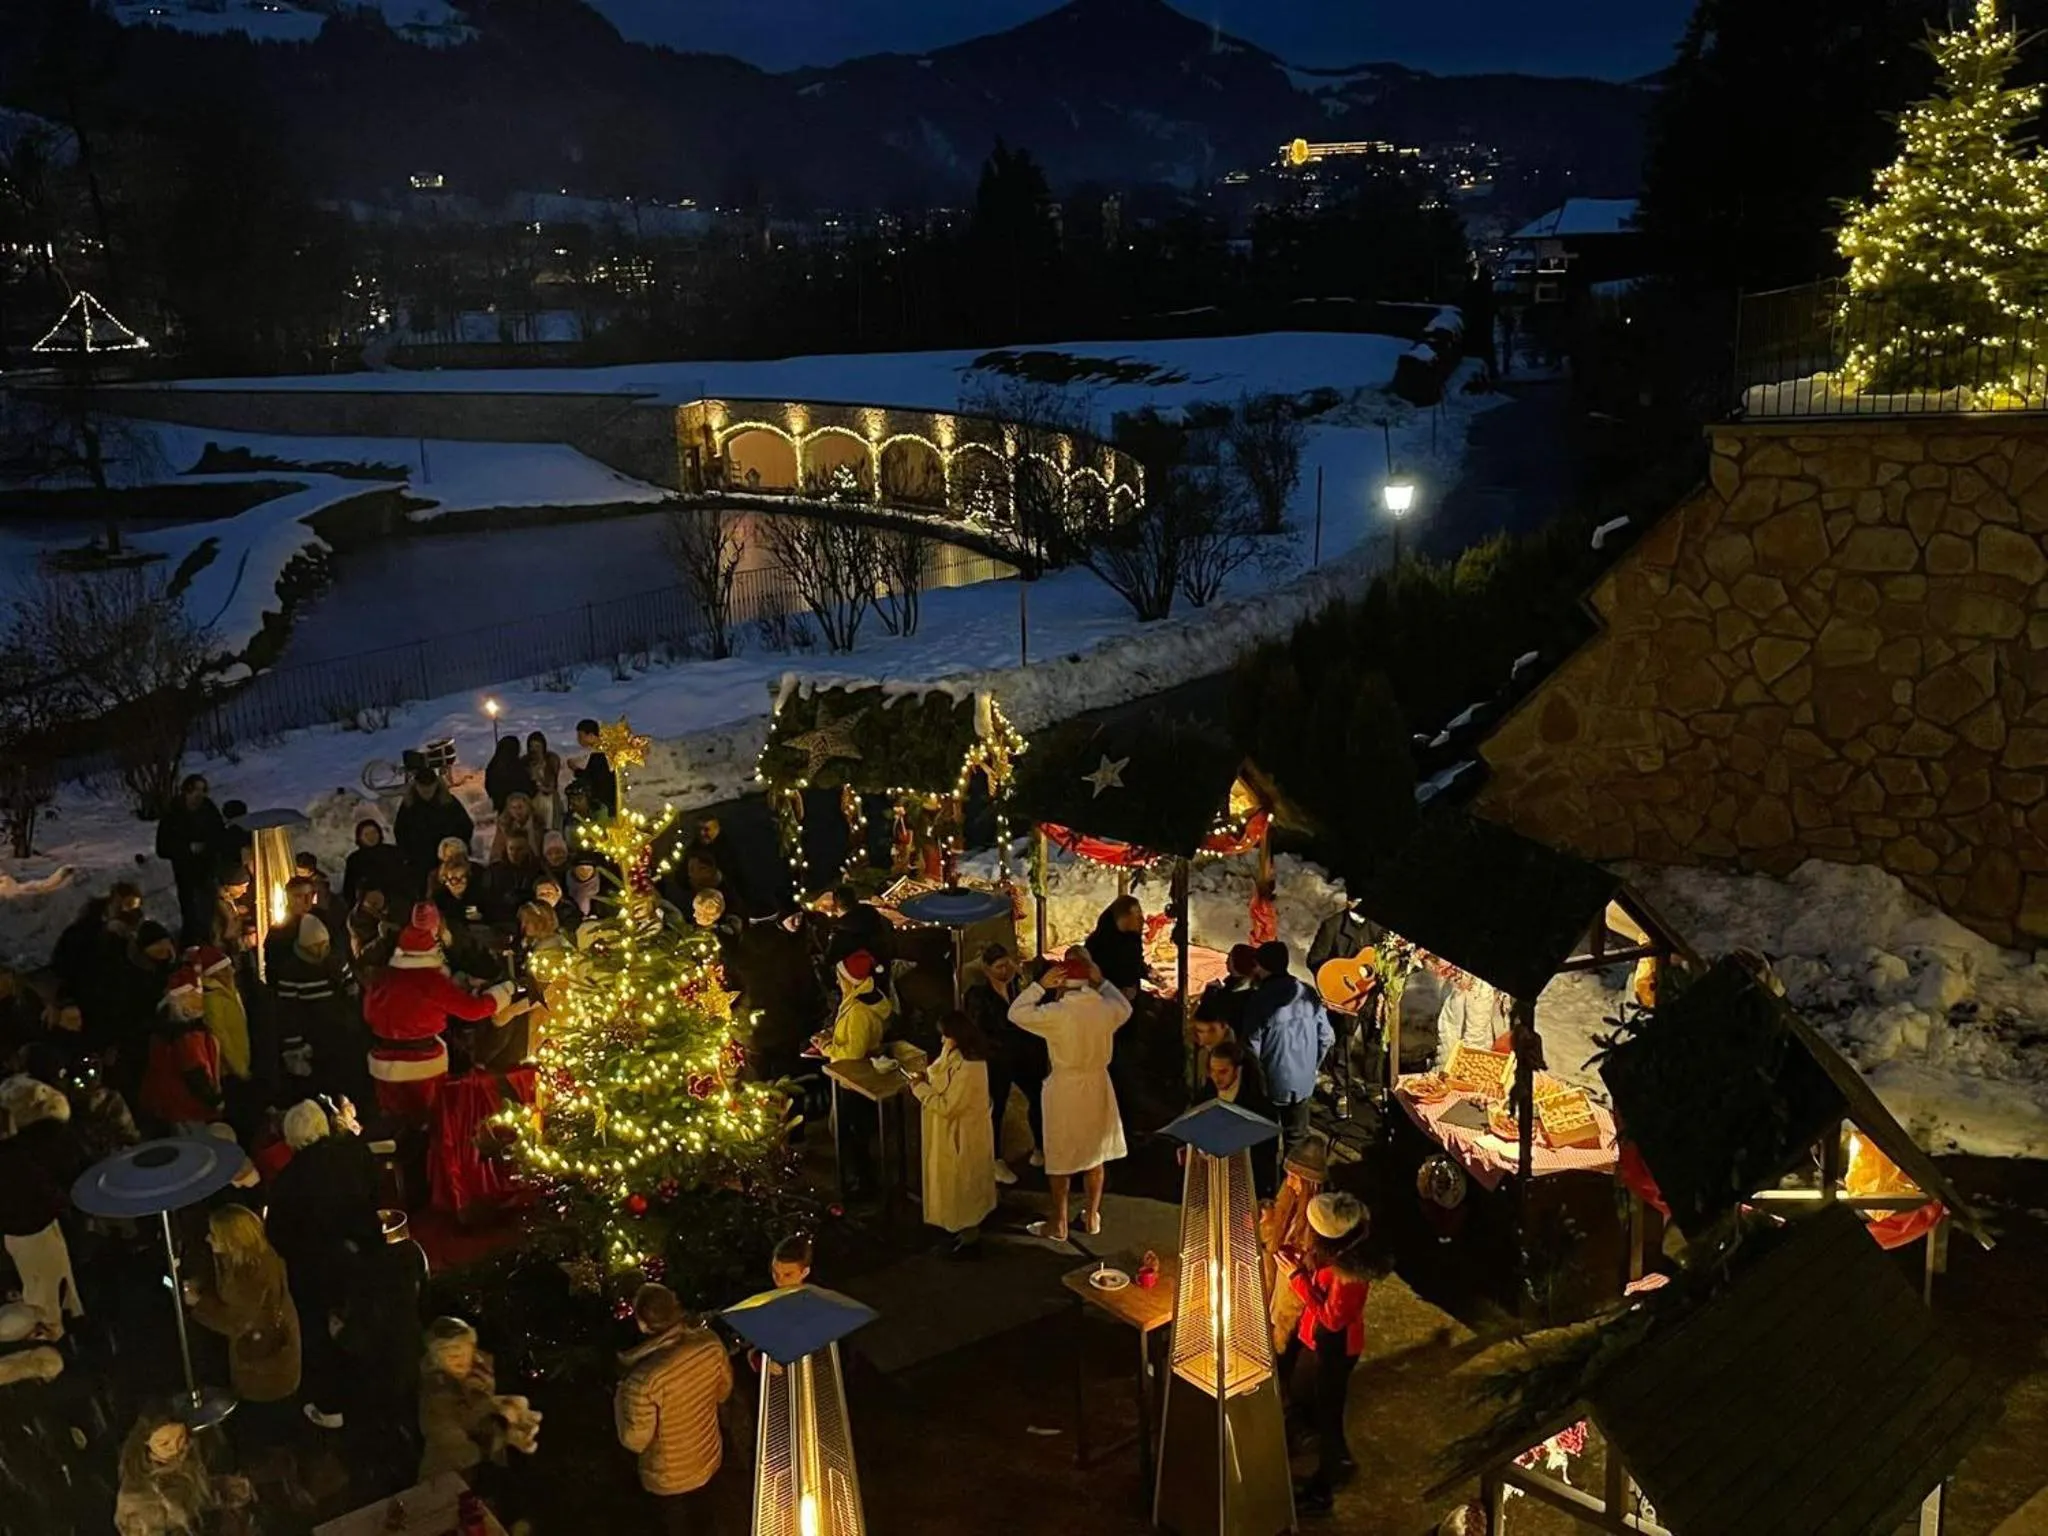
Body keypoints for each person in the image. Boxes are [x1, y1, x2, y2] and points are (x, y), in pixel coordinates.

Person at [267, 1099, 382, 1429]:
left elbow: (278, 1234)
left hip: (316, 1273)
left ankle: (333, 1408)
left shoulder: (288, 1181)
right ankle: (371, 1393)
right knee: (365, 1321)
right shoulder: (355, 1153)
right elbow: (374, 1195)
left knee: (325, 1338)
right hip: (362, 1255)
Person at [1008, 948, 1133, 1241]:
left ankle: (1060, 1221)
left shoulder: (1058, 1013)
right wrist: (1103, 982)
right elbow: (1125, 1007)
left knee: (1060, 1155)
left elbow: (1015, 1013)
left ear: (1061, 982)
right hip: (1098, 1084)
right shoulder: (1105, 1008)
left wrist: (1039, 986)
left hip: (1065, 1087)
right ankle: (1092, 1215)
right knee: (1095, 1152)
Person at [361, 904, 505, 1122]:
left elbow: (369, 1013)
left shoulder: (382, 979)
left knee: (390, 1122)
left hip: (384, 1062)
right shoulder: (433, 982)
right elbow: (473, 1010)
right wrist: (502, 994)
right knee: (429, 1121)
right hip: (424, 1064)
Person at [1277, 1192, 1373, 1516]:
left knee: (1327, 1415)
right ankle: (1325, 1456)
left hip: (1335, 1350)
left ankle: (1327, 1484)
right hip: (1315, 1340)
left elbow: (1333, 1318)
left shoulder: (1350, 1275)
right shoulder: (1334, 1255)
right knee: (1303, 1394)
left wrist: (1297, 1280)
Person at [615, 1282, 735, 1536]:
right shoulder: (710, 1345)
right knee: (707, 1521)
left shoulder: (643, 1380)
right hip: (708, 1456)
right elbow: (723, 1390)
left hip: (669, 1478)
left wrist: (618, 1400)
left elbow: (635, 1440)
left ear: (642, 1324)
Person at [184, 1204, 302, 1409]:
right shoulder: (251, 1258)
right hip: (272, 1352)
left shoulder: (249, 1274)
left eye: (213, 1234)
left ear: (232, 1239)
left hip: (264, 1363)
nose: (208, 1239)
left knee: (265, 1418)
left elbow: (236, 1322)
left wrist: (198, 1303)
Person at [0, 1078, 86, 1339]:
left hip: (30, 1232)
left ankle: (55, 1331)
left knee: (46, 1292)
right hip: (34, 1231)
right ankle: (55, 1333)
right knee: (46, 1294)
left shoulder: (19, 1153)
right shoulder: (20, 1154)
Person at [908, 1010, 997, 1256]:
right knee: (954, 1186)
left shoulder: (971, 1067)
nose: (942, 1042)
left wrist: (919, 1088)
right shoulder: (954, 1054)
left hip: (961, 1135)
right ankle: (958, 1231)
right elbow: (939, 1073)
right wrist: (925, 1077)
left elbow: (948, 1106)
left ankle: (969, 1240)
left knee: (964, 1187)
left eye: (945, 1036)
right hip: (946, 1133)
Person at [418, 1316, 541, 1479]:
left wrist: (508, 1407)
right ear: (435, 1357)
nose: (456, 1354)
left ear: (472, 1347)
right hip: (443, 1477)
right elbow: (456, 1446)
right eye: (445, 1348)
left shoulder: (478, 1376)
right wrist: (503, 1436)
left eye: (461, 1346)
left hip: (472, 1474)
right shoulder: (437, 1392)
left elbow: (479, 1409)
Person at [1240, 941, 1332, 1158]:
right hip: (1303, 1084)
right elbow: (1327, 1037)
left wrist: (1259, 1080)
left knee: (1265, 1143)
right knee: (1297, 1142)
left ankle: (1268, 1188)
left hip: (1271, 1085)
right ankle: (1293, 1188)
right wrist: (1312, 1067)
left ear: (1262, 967)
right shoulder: (1308, 993)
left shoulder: (1260, 1000)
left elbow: (1251, 1045)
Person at [814, 950, 891, 1198]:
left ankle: (860, 1184)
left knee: (848, 1133)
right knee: (858, 1134)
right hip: (861, 1076)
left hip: (852, 1080)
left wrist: (825, 1047)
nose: (837, 982)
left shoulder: (858, 1010)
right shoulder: (868, 997)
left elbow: (851, 1053)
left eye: (840, 977)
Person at [964, 943, 1039, 1182]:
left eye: (1008, 964)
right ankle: (995, 1159)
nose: (1006, 970)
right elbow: (979, 1029)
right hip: (998, 1059)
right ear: (987, 969)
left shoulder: (1019, 987)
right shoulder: (978, 995)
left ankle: (1040, 1146)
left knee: (1038, 1096)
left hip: (1024, 1054)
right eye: (1000, 967)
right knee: (997, 1108)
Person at [114, 1407, 252, 1536]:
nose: (175, 1448)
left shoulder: (187, 1463)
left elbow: (197, 1496)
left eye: (180, 1438)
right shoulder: (136, 1497)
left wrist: (226, 1489)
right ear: (146, 1444)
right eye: (164, 1443)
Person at [271, 915, 361, 1090]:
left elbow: (350, 990)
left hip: (340, 1035)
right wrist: (295, 1047)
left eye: (324, 944)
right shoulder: (291, 972)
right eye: (315, 946)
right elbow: (288, 1012)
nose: (321, 950)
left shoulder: (336, 961)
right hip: (313, 1040)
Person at [1306, 898, 1382, 1103]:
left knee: (1374, 1042)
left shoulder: (1379, 927)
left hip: (1372, 995)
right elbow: (1315, 959)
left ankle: (1373, 1088)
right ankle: (1342, 1092)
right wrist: (1336, 985)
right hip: (1345, 997)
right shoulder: (1333, 926)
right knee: (1343, 1044)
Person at [1190, 1039, 1278, 1196]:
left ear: (1238, 1070)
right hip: (1212, 1182)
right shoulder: (1205, 1096)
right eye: (1213, 1071)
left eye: (1223, 1072)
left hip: (1244, 1186)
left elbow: (1266, 1158)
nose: (1216, 1078)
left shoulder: (1259, 1108)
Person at [139, 970, 223, 1132]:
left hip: (175, 1105)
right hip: (188, 1106)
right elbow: (194, 1071)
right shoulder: (185, 1035)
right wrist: (214, 1099)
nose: (198, 1001)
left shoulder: (165, 1030)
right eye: (192, 996)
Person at [155, 775, 228, 946]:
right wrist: (187, 848)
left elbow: (219, 835)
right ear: (186, 791)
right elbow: (162, 848)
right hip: (186, 873)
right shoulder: (173, 814)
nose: (199, 795)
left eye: (202, 790)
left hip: (207, 871)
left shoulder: (208, 809)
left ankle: (209, 946)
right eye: (195, 790)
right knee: (191, 915)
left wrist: (209, 847)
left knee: (208, 915)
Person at [394, 768, 474, 883]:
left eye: (430, 786)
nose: (426, 790)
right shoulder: (408, 806)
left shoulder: (449, 803)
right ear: (416, 786)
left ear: (436, 784)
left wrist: (456, 850)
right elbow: (400, 833)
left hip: (449, 861)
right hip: (420, 863)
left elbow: (466, 827)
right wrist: (409, 857)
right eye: (422, 787)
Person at [1085, 894, 1150, 996]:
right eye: (1138, 916)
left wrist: (1147, 973)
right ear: (1125, 918)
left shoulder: (1133, 938)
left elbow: (1135, 963)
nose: (1142, 920)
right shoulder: (1097, 944)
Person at [344, 817, 413, 911]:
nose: (371, 837)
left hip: (397, 903)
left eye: (373, 832)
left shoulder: (393, 852)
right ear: (359, 837)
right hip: (369, 908)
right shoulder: (354, 860)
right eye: (366, 834)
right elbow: (349, 888)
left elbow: (406, 877)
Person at [573, 718, 617, 817]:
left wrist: (575, 770)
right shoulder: (602, 753)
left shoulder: (599, 755)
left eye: (581, 736)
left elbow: (592, 778)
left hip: (603, 804)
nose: (578, 740)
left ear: (591, 736)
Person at [484, 737, 535, 815]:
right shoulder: (516, 768)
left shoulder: (492, 767)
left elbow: (488, 787)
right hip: (520, 812)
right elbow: (527, 789)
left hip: (501, 811)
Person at [524, 732, 565, 830]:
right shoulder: (526, 765)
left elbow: (551, 786)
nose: (534, 750)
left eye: (537, 746)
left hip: (548, 800)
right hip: (533, 800)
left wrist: (539, 779)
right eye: (532, 746)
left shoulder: (550, 764)